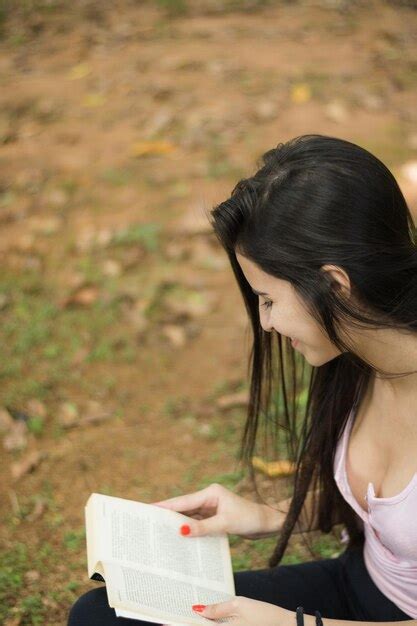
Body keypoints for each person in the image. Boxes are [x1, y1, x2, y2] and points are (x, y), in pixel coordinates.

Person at [68, 134, 417, 626]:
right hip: (355, 583)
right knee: (102, 616)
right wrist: (262, 515)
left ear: (337, 285)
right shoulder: (358, 355)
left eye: (270, 299)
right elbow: (389, 519)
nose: (267, 322)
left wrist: (294, 624)